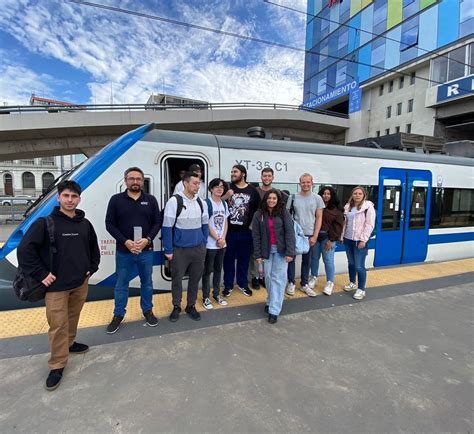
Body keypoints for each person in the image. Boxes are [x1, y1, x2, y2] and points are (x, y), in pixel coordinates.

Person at [17, 180, 100, 391]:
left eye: (74, 197)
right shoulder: (45, 223)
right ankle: (57, 364)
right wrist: (41, 274)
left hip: (80, 283)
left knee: (72, 319)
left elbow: (93, 248)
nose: (70, 200)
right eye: (66, 196)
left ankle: (70, 344)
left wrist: (91, 268)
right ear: (58, 198)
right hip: (56, 288)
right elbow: (25, 251)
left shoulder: (85, 224)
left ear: (79, 199)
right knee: (58, 325)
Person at [105, 167, 162, 334]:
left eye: (138, 179)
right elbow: (109, 224)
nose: (135, 181)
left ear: (142, 181)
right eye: (132, 178)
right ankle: (118, 315)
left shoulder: (151, 200)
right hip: (124, 251)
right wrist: (126, 241)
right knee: (121, 284)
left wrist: (147, 240)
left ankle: (147, 310)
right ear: (125, 181)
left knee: (147, 282)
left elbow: (157, 223)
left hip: (146, 251)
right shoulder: (116, 200)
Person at [163, 171, 209, 321]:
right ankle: (176, 306)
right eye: (195, 183)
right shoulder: (174, 202)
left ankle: (191, 305)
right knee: (177, 279)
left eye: (199, 183)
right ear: (185, 183)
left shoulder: (201, 202)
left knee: (195, 279)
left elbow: (205, 224)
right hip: (180, 250)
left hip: (198, 249)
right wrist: (168, 250)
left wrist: (204, 243)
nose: (198, 186)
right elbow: (167, 227)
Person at [252, 189, 295, 324]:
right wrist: (258, 254)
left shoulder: (284, 213)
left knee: (279, 279)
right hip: (266, 251)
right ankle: (271, 300)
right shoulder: (259, 214)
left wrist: (290, 252)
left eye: (274, 198)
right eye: (269, 198)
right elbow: (256, 236)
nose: (271, 200)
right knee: (269, 278)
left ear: (278, 200)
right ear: (265, 200)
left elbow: (290, 232)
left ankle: (274, 310)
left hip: (281, 251)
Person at [223, 164, 260, 297]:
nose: (232, 174)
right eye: (232, 171)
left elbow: (258, 210)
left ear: (243, 174)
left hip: (246, 232)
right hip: (229, 232)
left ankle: (242, 284)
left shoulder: (252, 191)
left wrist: (252, 227)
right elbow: (217, 204)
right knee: (228, 260)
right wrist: (226, 196)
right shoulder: (227, 188)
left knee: (244, 260)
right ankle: (228, 285)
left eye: (235, 172)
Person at [249, 168, 289, 290]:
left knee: (268, 255)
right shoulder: (255, 191)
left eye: (269, 176)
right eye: (264, 176)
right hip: (256, 226)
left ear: (272, 178)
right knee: (255, 254)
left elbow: (285, 207)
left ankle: (264, 278)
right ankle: (255, 276)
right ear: (261, 177)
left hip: (271, 228)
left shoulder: (278, 193)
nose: (267, 178)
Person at [286, 173, 325, 297]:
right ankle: (291, 282)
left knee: (306, 261)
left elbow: (319, 218)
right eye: (303, 182)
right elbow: (287, 217)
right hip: (295, 234)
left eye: (308, 182)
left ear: (312, 183)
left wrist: (315, 236)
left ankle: (304, 284)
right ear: (299, 183)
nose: (306, 184)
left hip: (309, 234)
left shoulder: (317, 198)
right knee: (290, 259)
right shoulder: (292, 197)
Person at [342, 186, 376, 300]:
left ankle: (361, 289)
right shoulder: (348, 207)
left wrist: (363, 240)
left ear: (363, 195)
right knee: (351, 263)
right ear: (352, 195)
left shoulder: (368, 208)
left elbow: (369, 225)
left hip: (359, 241)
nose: (357, 195)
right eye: (355, 193)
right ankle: (352, 282)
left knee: (359, 266)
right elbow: (345, 223)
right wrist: (342, 236)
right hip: (348, 239)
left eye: (359, 193)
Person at [309, 186, 344, 295]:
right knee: (314, 259)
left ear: (332, 195)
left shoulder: (336, 210)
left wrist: (332, 240)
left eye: (328, 194)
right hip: (316, 237)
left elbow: (338, 226)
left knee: (328, 260)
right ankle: (313, 277)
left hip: (328, 239)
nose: (326, 195)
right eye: (324, 193)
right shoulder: (316, 205)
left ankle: (330, 282)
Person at [201, 178, 229, 309]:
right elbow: (206, 223)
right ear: (211, 188)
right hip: (210, 245)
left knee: (218, 270)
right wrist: (217, 238)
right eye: (217, 186)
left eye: (222, 187)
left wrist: (223, 238)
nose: (220, 189)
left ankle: (216, 294)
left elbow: (225, 222)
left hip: (222, 244)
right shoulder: (206, 203)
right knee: (207, 271)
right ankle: (205, 297)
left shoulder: (224, 204)